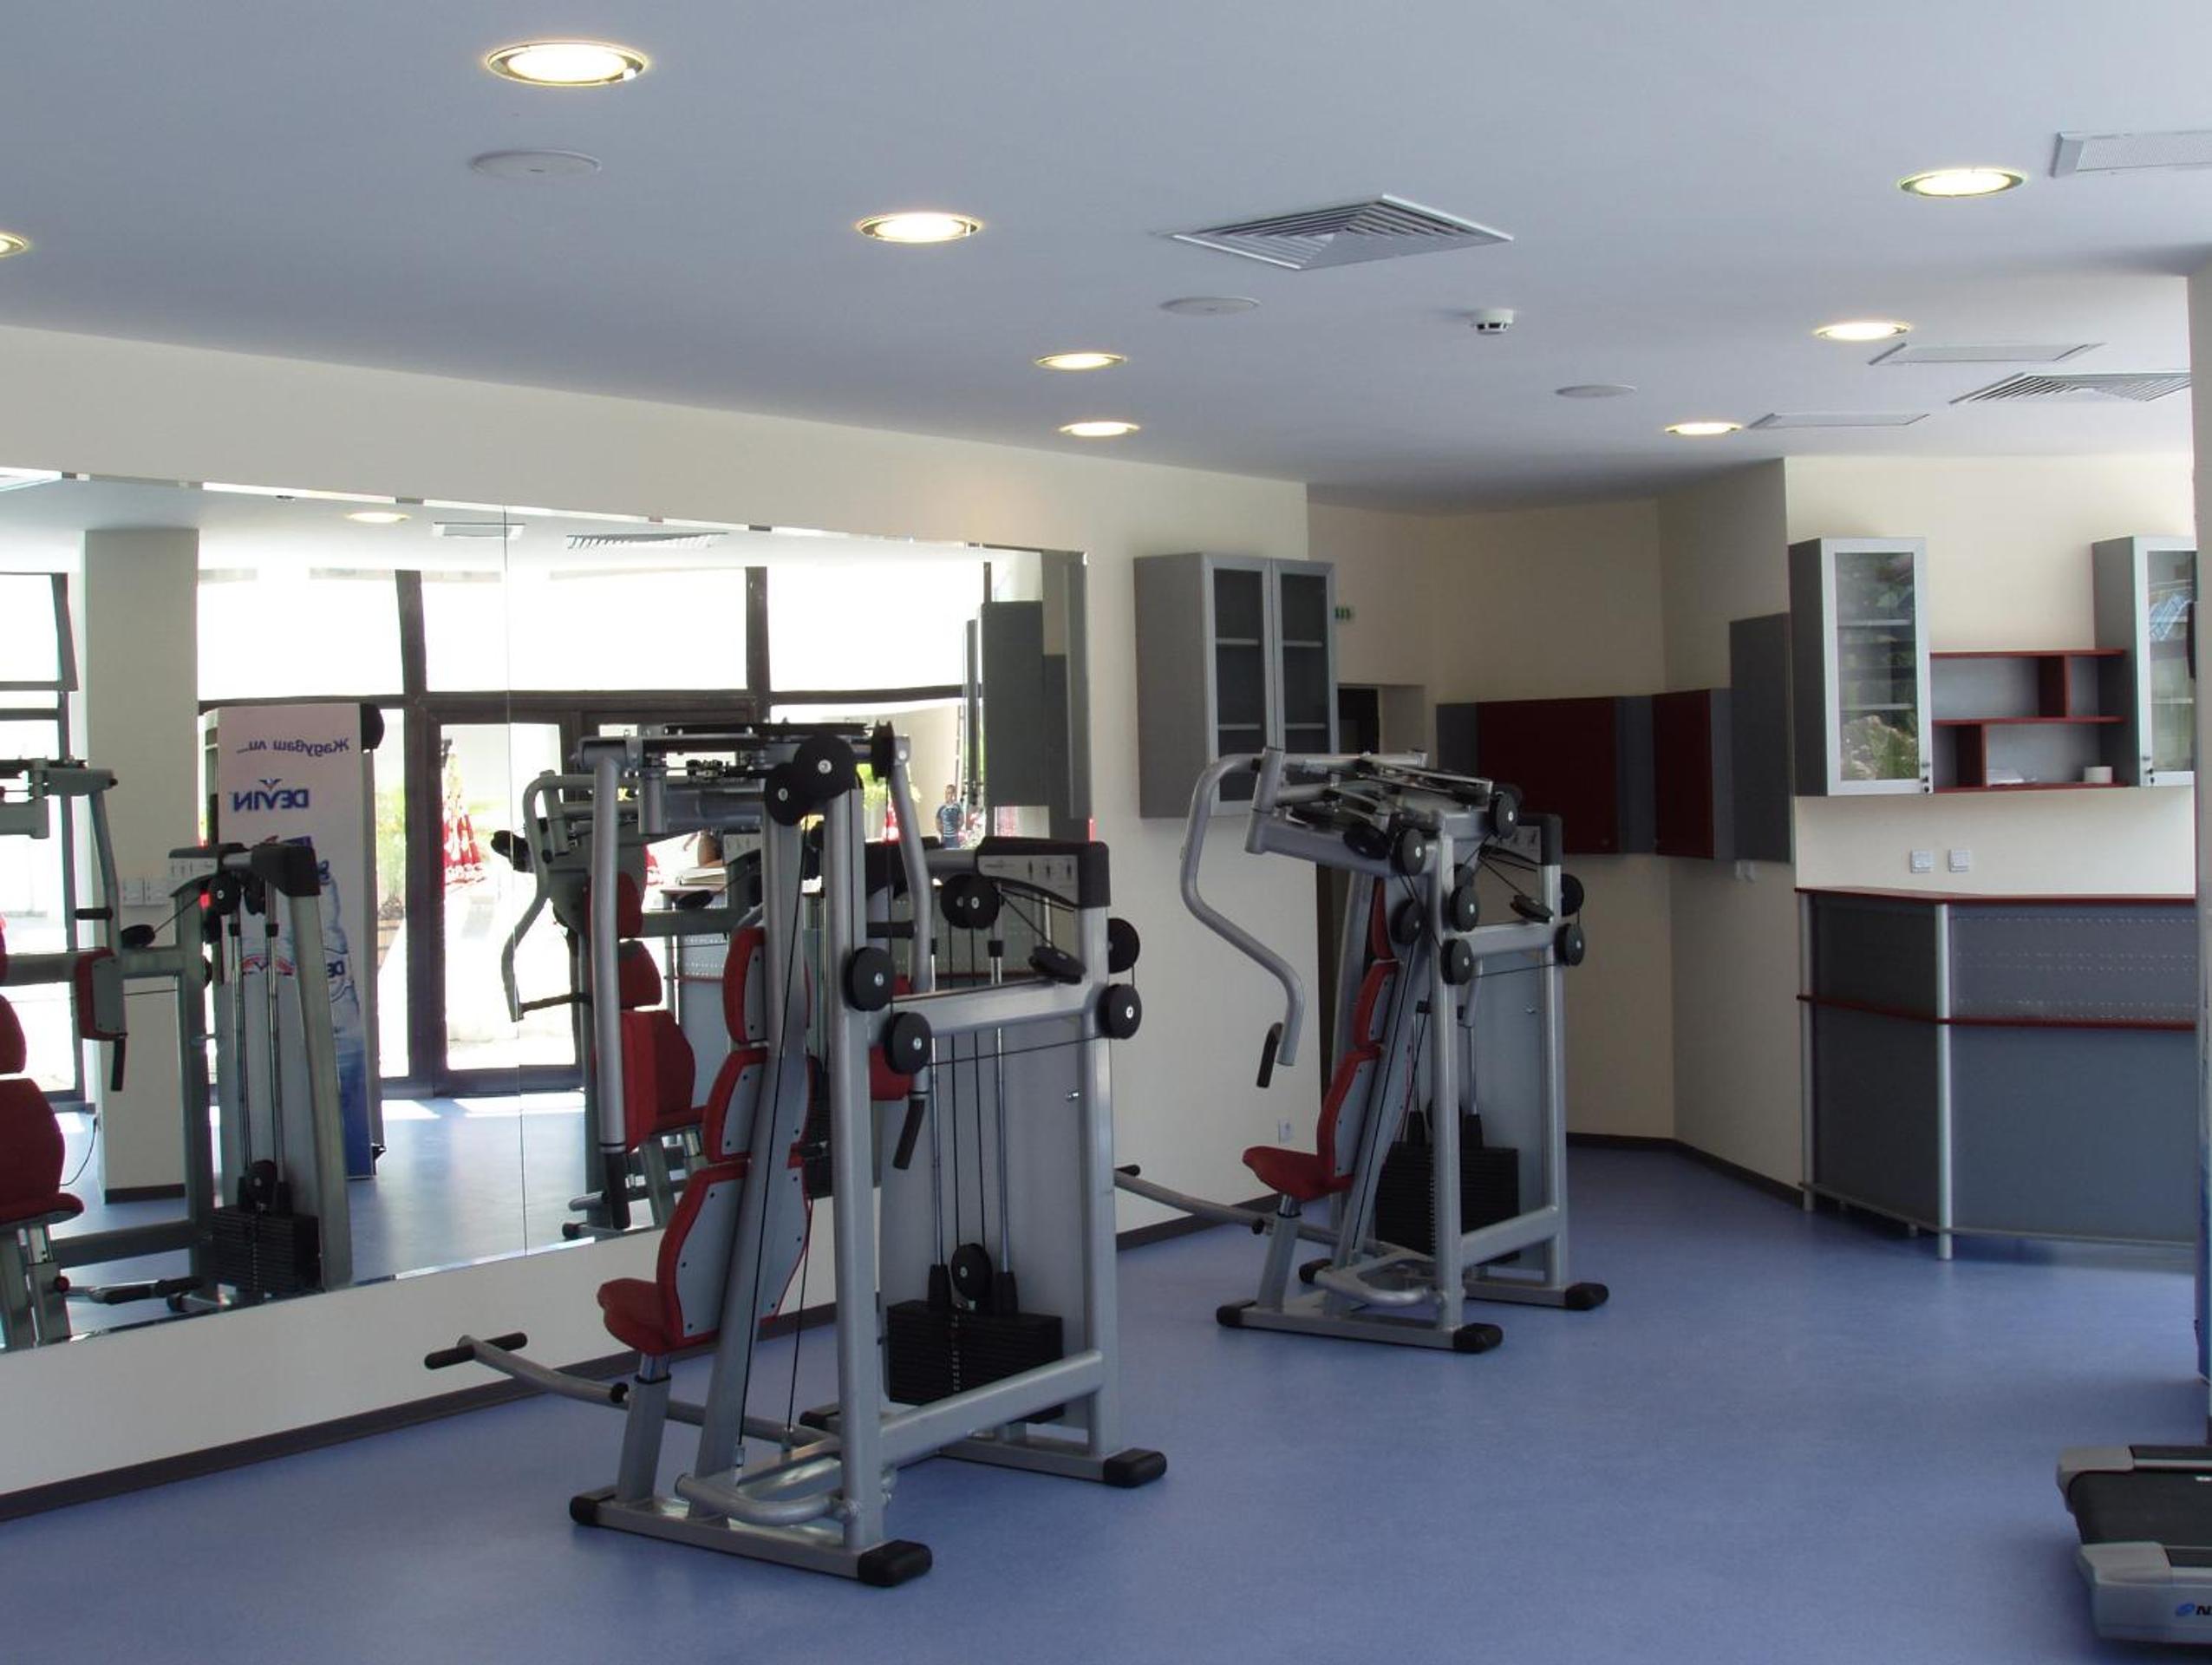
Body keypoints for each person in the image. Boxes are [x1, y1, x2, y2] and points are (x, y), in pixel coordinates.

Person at [936, 785, 965, 849]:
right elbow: (938, 822)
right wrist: (942, 833)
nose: (947, 795)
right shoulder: (942, 807)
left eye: (949, 793)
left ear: (953, 794)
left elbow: (962, 820)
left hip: (954, 837)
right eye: (946, 793)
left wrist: (957, 830)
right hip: (945, 837)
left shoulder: (957, 806)